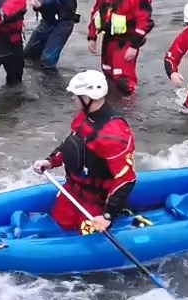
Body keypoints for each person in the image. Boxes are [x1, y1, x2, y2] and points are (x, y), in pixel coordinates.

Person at [31, 70, 138, 234]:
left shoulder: (114, 134)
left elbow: (126, 179)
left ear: (87, 98)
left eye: (76, 95)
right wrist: (50, 161)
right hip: (75, 189)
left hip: (99, 201)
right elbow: (72, 146)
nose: (73, 98)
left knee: (85, 231)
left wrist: (107, 216)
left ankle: (122, 220)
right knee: (61, 220)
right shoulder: (83, 117)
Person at [86, 0, 154, 99]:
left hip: (126, 41)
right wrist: (92, 37)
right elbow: (96, 13)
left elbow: (145, 21)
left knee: (123, 79)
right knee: (108, 73)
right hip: (109, 40)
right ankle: (112, 103)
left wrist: (134, 46)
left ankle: (129, 112)